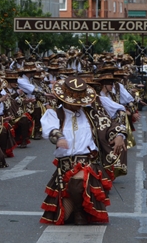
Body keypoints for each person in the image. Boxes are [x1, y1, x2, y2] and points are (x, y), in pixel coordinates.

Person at [39, 76, 127, 225]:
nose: (78, 105)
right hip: (65, 165)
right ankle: (77, 210)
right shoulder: (55, 114)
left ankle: (80, 211)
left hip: (86, 162)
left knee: (76, 183)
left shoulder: (90, 114)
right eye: (74, 102)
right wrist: (59, 138)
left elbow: (110, 124)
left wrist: (119, 135)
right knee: (65, 217)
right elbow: (50, 129)